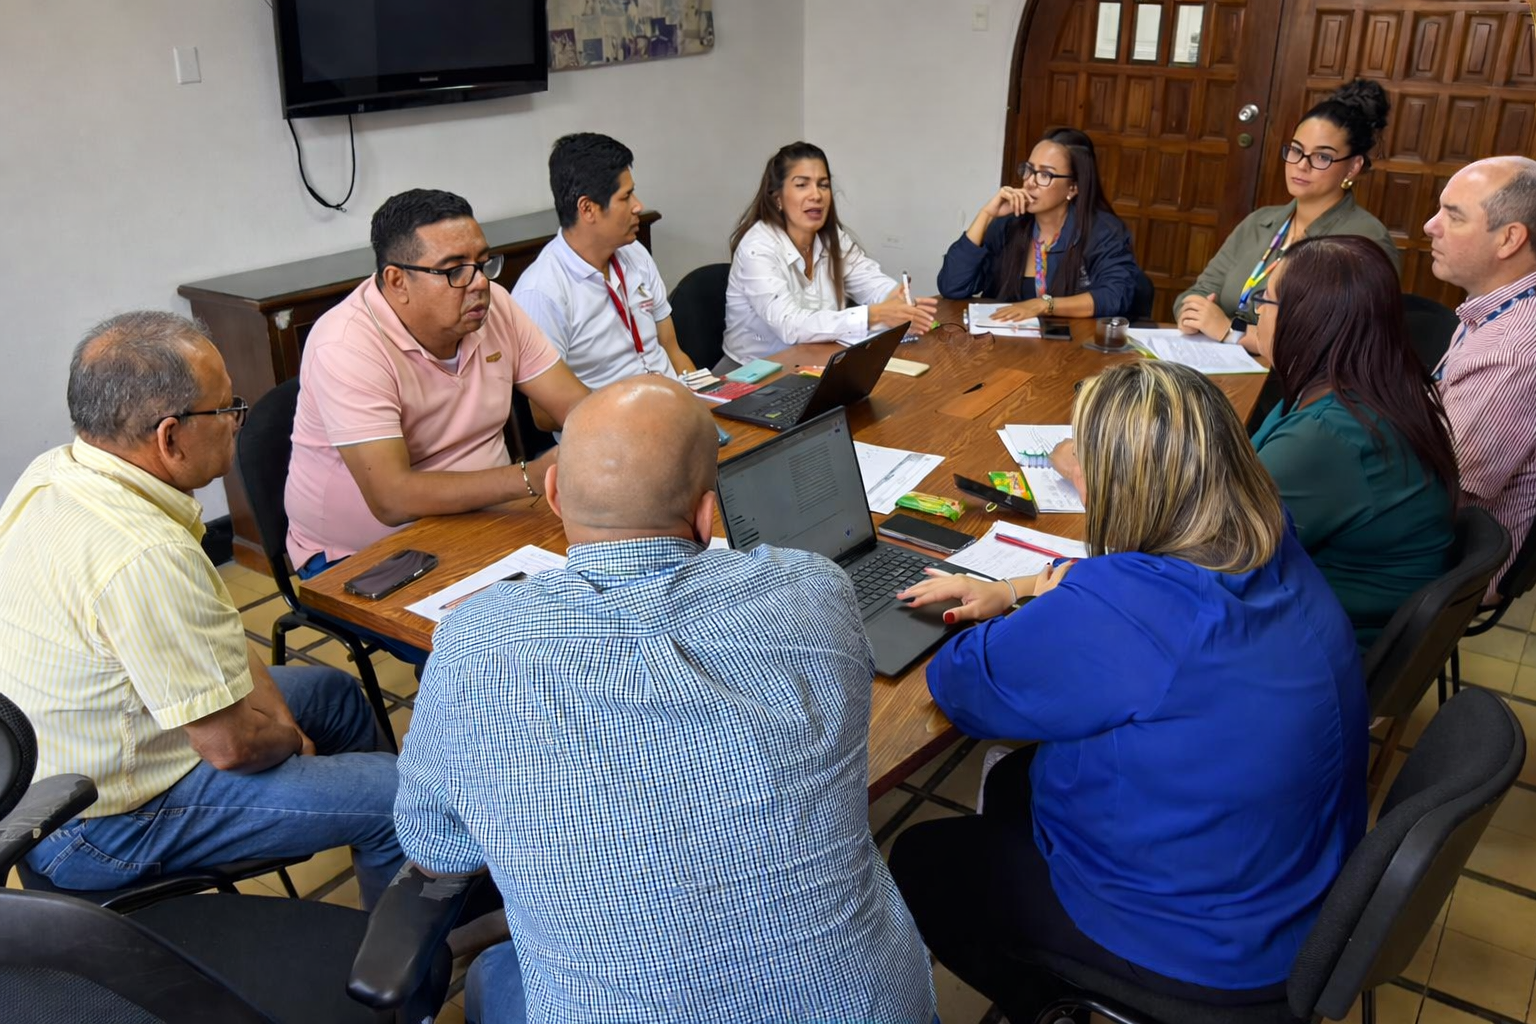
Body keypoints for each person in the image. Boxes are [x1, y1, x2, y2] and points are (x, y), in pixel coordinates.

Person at [395, 376, 936, 1024]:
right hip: (874, 1008)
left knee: (492, 976)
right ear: (708, 515)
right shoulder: (815, 591)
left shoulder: (474, 646)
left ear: (555, 494)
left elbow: (438, 848)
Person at [889, 360, 1365, 1022]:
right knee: (1014, 783)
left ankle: (1056, 999)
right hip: (1291, 893)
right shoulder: (1266, 533)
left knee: (921, 855)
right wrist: (1025, 587)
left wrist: (1029, 609)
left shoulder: (1129, 607)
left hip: (1200, 952)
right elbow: (1146, 593)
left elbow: (962, 686)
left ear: (1121, 486)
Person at [0, 312, 404, 908]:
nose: (238, 421)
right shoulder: (143, 552)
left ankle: (390, 857)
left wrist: (279, 722)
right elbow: (231, 747)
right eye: (227, 409)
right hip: (98, 825)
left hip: (76, 756)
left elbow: (212, 636)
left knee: (334, 697)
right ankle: (401, 979)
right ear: (170, 436)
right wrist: (286, 741)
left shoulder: (58, 470)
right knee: (400, 797)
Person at [286, 189, 589, 573]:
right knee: (500, 628)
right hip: (369, 553)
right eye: (454, 270)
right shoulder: (345, 344)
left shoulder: (496, 307)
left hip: (489, 514)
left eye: (483, 263)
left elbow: (580, 409)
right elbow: (392, 499)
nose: (479, 282)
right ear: (397, 281)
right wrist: (531, 475)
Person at [1247, 236, 1457, 651]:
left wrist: (1103, 477)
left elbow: (1210, 546)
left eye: (1264, 301)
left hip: (1314, 649)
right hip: (1319, 617)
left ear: (1304, 320)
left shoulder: (1330, 436)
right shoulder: (1368, 386)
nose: (1256, 315)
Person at [1177, 79, 1401, 350]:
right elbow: (1197, 293)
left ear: (1353, 167)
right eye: (1296, 150)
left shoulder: (1363, 240)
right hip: (1221, 361)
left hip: (1301, 384)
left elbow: (1336, 343)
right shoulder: (1260, 222)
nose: (1301, 166)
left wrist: (1232, 333)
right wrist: (1191, 314)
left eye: (1322, 157)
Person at [721, 141, 938, 372]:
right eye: (802, 185)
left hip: (815, 360)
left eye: (823, 185)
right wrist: (873, 315)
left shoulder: (832, 238)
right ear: (777, 197)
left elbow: (869, 281)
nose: (816, 195)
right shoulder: (757, 246)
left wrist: (894, 297)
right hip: (752, 372)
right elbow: (790, 325)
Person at [1426, 155, 1536, 597]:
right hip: (1441, 508)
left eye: (1453, 216)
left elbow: (1442, 493)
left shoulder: (1512, 351)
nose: (1431, 226)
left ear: (1509, 239)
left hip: (1457, 560)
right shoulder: (1497, 304)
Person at [513, 133, 694, 393]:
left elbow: (672, 350)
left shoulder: (635, 253)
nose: (638, 206)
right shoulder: (541, 292)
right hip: (610, 427)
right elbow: (544, 415)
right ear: (587, 209)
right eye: (626, 197)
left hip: (674, 408)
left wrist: (706, 402)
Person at [937, 127, 1141, 320]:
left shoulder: (1103, 231)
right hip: (1006, 347)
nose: (1030, 182)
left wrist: (1044, 305)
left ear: (1072, 188)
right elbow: (952, 286)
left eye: (1045, 175)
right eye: (1029, 170)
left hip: (1072, 350)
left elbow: (1116, 296)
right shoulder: (1009, 225)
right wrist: (987, 214)